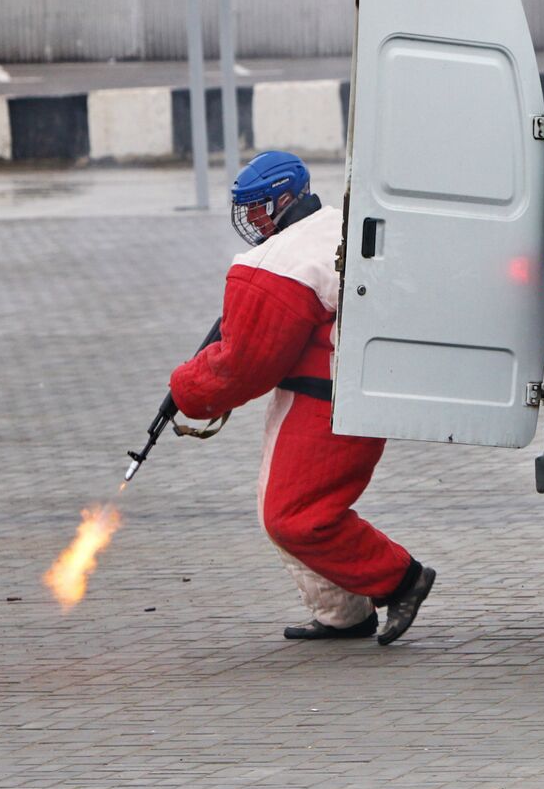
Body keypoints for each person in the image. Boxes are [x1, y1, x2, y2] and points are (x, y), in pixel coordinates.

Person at [169, 151, 434, 646]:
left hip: (324, 405)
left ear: (285, 199)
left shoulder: (277, 262)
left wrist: (185, 388)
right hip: (346, 394)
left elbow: (243, 365)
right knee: (282, 510)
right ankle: (342, 613)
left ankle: (401, 579)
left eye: (256, 210)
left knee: (292, 516)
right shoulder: (341, 227)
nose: (250, 222)